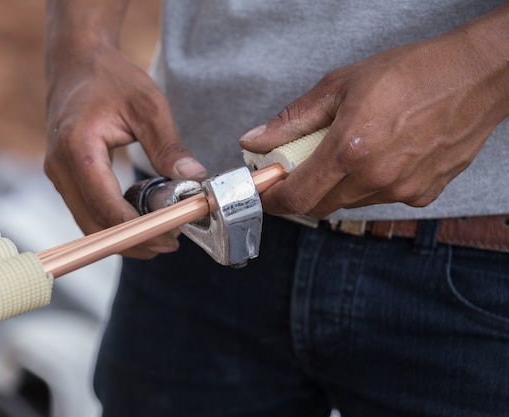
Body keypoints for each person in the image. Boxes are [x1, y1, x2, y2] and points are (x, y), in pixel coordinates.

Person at [44, 0, 509, 415]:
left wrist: (483, 63)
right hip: (194, 233)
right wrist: (81, 48)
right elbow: (81, 44)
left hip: (479, 265)